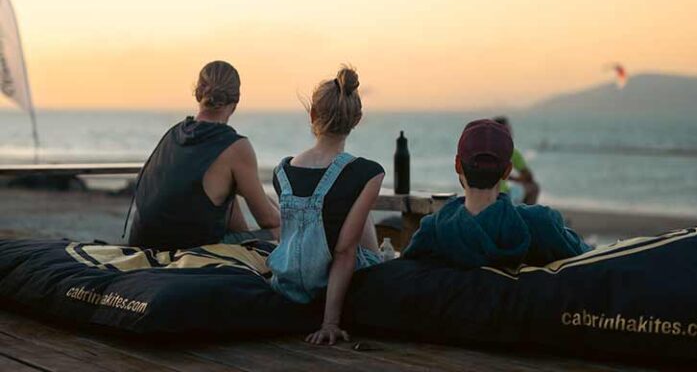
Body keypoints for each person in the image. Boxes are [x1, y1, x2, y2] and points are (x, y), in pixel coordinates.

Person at [268, 66, 384, 346]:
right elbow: (344, 252)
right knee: (358, 218)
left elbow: (292, 238)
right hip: (328, 284)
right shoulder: (368, 173)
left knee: (349, 209)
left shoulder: (282, 171)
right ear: (357, 119)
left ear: (312, 115)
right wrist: (330, 322)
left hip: (287, 283)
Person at [127, 61, 280, 250]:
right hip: (188, 251)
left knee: (226, 197)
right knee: (282, 230)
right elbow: (268, 220)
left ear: (199, 94)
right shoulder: (235, 147)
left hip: (142, 245)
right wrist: (284, 212)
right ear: (236, 101)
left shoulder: (174, 134)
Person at [402, 119, 590, 269]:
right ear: (507, 171)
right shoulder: (541, 225)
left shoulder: (432, 233)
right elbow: (590, 261)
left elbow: (406, 275)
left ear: (458, 165)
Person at [493, 116, 540, 204]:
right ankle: (524, 216)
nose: (511, 132)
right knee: (534, 187)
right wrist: (510, 177)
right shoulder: (510, 151)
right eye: (509, 129)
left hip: (480, 197)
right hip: (503, 195)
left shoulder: (484, 150)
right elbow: (529, 176)